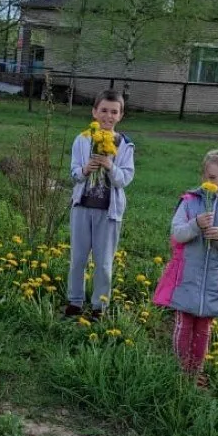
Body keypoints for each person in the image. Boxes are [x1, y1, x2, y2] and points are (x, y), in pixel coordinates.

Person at [152, 149, 218, 384]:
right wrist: (195, 224)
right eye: (211, 177)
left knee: (204, 327)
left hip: (215, 278)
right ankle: (180, 370)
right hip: (187, 274)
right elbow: (177, 233)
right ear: (203, 177)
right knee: (184, 322)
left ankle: (195, 372)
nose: (217, 183)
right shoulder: (190, 202)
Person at [65, 90, 136, 318]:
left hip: (109, 211)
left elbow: (124, 178)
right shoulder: (83, 139)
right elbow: (74, 173)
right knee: (78, 258)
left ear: (120, 115)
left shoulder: (124, 144)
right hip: (83, 207)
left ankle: (99, 306)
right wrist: (86, 170)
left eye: (114, 112)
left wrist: (109, 165)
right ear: (94, 112)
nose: (108, 116)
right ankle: (74, 302)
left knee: (104, 262)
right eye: (103, 110)